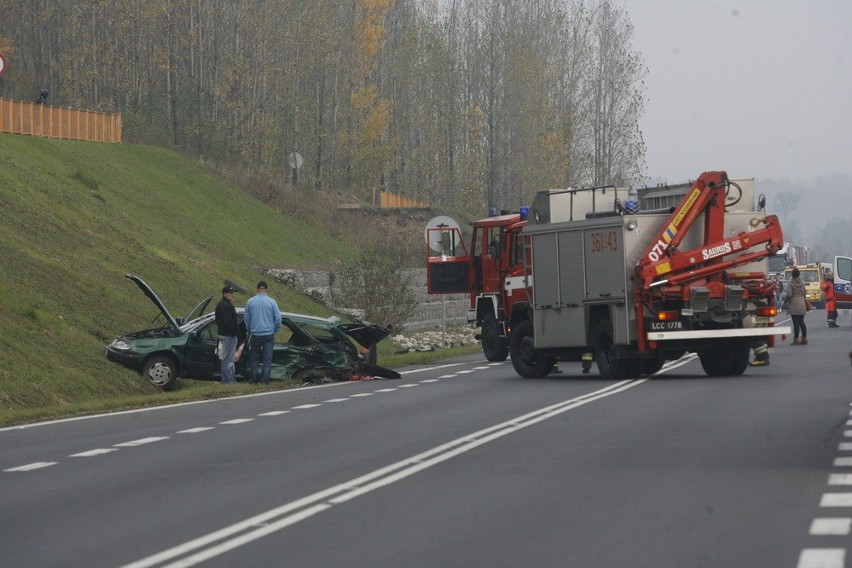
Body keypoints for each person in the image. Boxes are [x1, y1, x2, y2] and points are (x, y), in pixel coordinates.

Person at [243, 280, 281, 384]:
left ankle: (254, 378)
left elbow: (246, 318)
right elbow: (278, 318)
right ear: (267, 290)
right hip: (269, 334)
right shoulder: (272, 302)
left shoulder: (250, 301)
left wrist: (249, 329)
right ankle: (265, 380)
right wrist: (276, 329)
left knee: (254, 358)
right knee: (267, 359)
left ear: (257, 289)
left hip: (256, 334)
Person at [215, 285, 243, 384]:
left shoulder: (226, 304)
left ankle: (230, 380)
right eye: (230, 293)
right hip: (228, 336)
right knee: (227, 360)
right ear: (225, 294)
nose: (232, 295)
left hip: (228, 335)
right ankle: (228, 381)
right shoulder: (224, 306)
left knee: (229, 359)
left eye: (233, 293)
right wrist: (235, 333)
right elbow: (228, 322)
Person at [788, 267, 808, 345]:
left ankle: (796, 339)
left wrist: (787, 302)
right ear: (799, 274)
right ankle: (804, 338)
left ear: (792, 275)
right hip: (802, 303)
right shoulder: (802, 283)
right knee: (801, 321)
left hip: (794, 303)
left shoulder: (790, 283)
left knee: (795, 322)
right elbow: (804, 293)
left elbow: (789, 294)